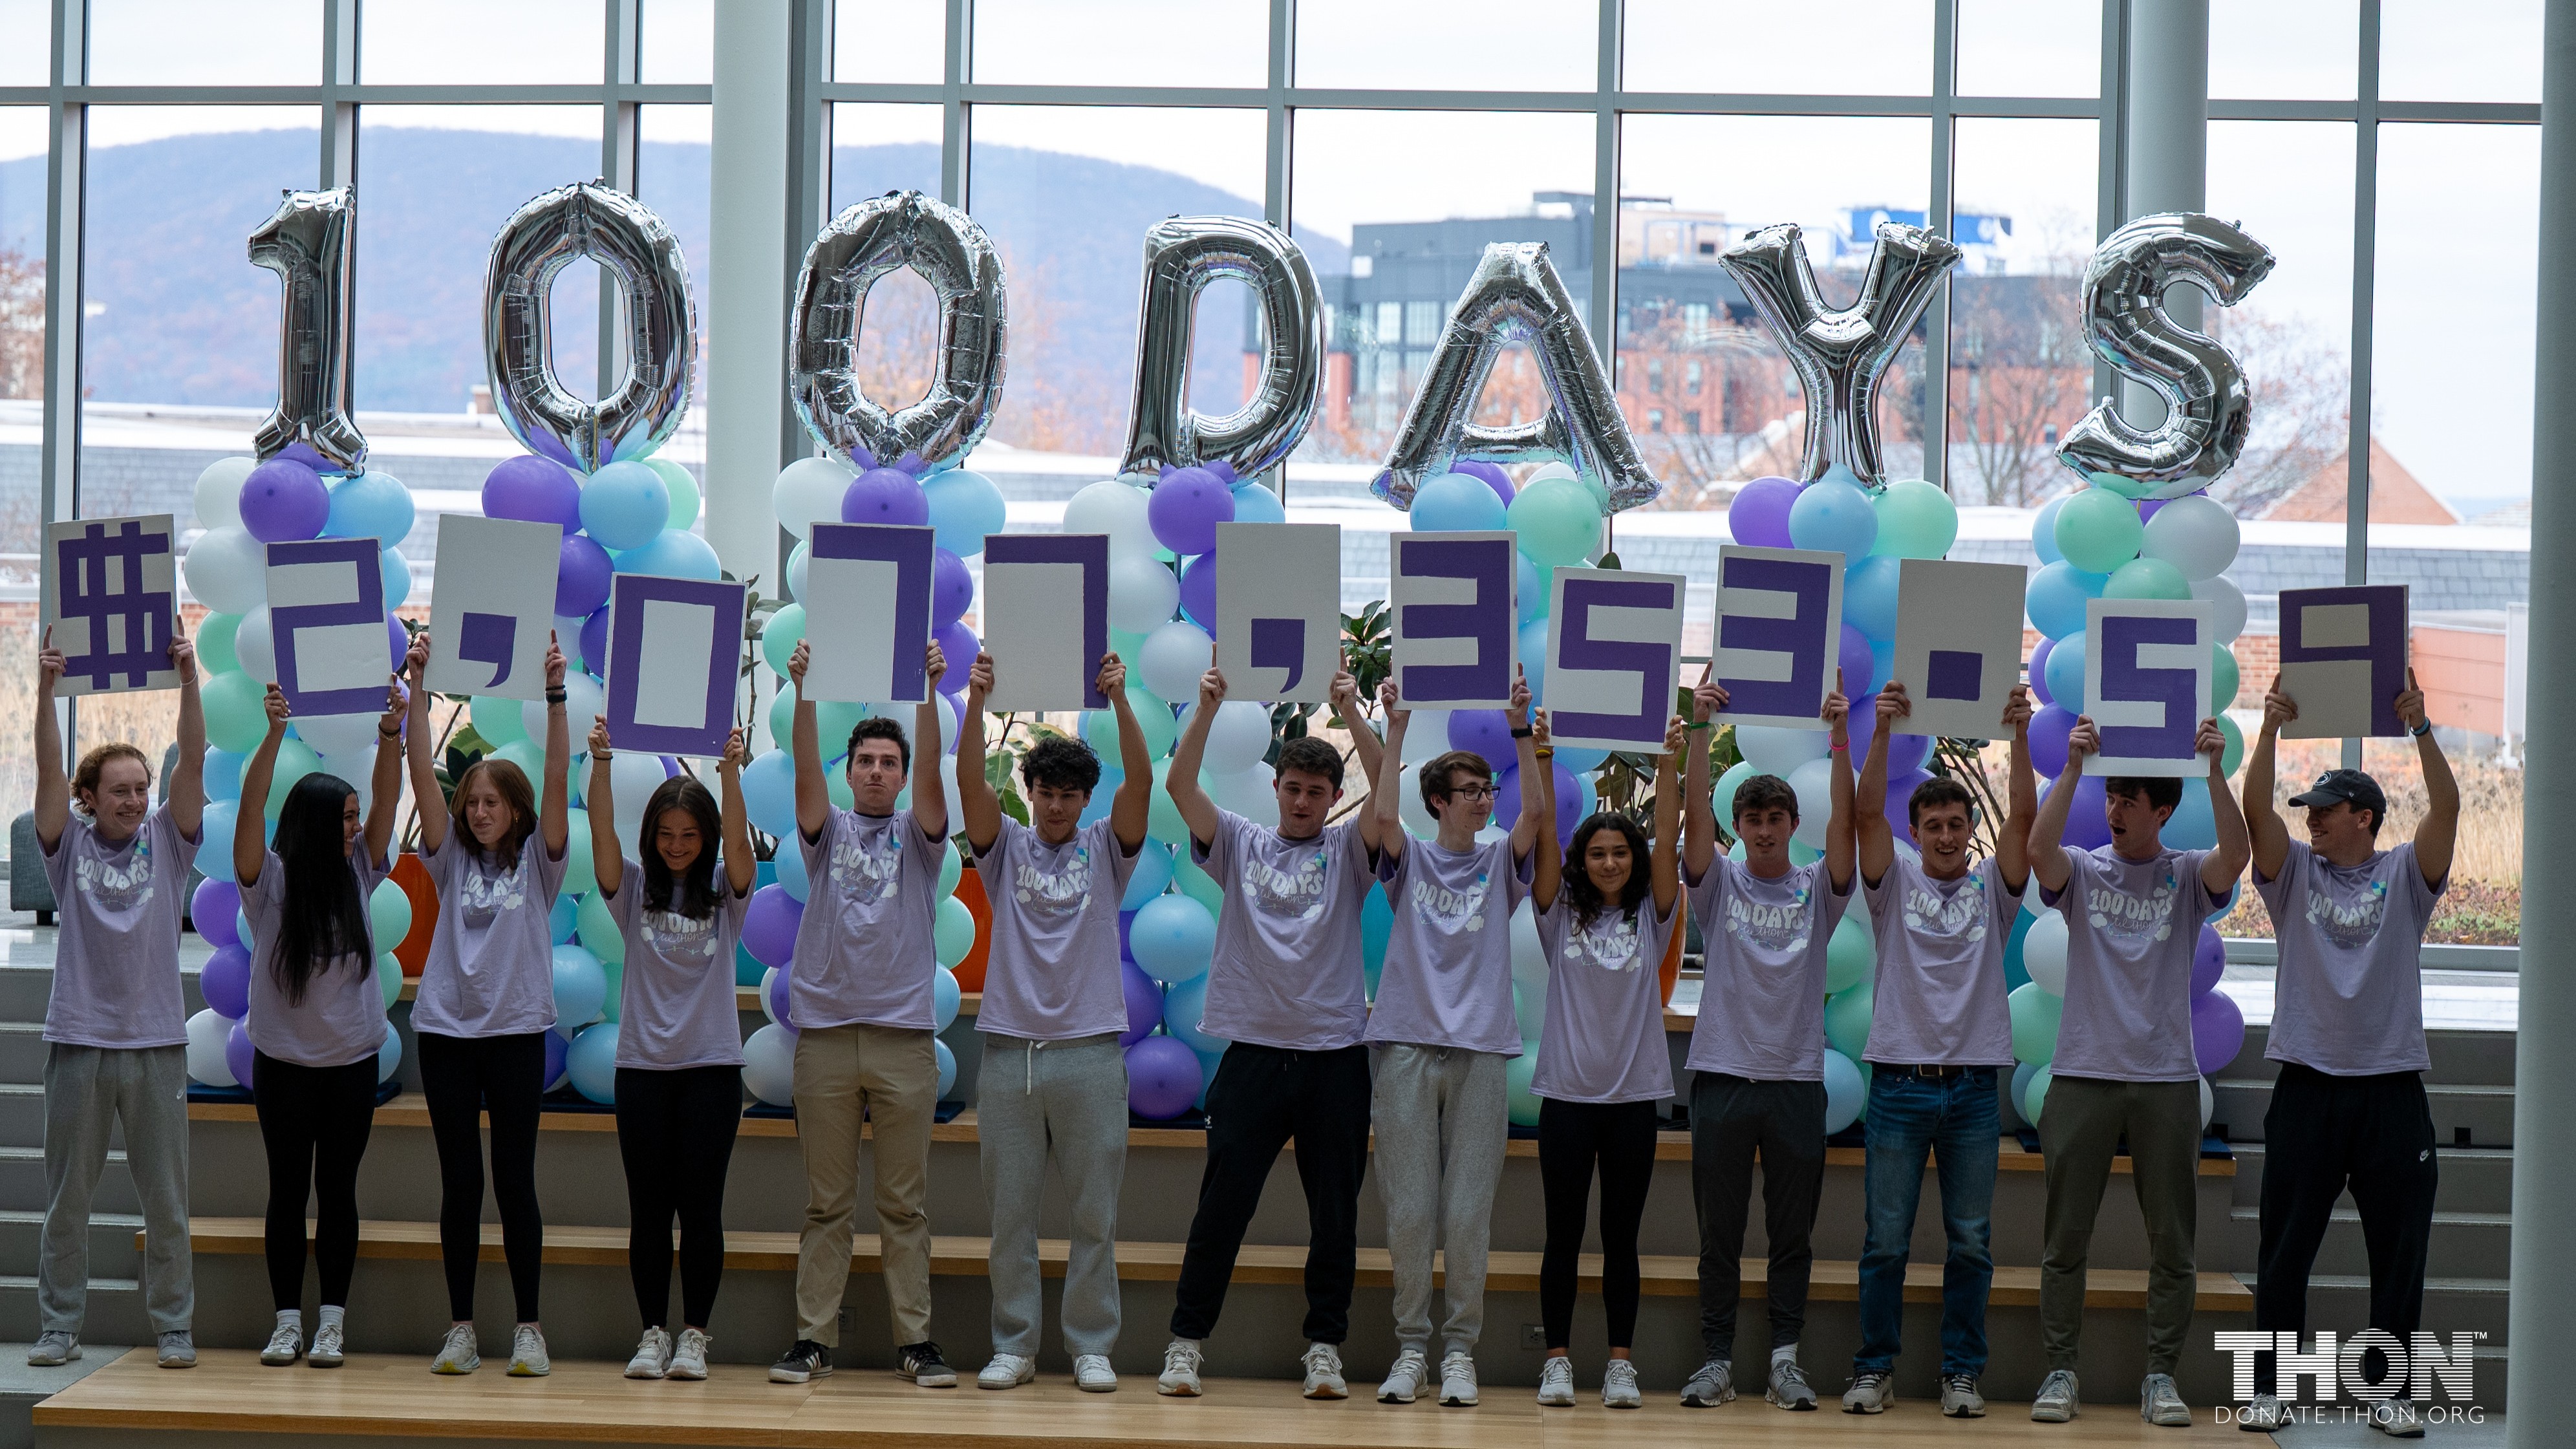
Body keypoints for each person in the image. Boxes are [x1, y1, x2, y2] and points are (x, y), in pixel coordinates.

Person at [1155, 659, 1384, 1400]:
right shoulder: (1241, 843)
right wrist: (1207, 706)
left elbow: (1391, 794)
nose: (1303, 800)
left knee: (1336, 1217)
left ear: (1332, 798)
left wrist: (1350, 712)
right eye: (1293, 788)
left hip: (1335, 1059)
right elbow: (1180, 788)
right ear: (1278, 787)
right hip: (1253, 1056)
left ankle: (1324, 1348)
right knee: (1221, 1208)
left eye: (1318, 792)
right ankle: (1186, 1345)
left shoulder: (1351, 851)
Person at [2235, 670, 2454, 1439]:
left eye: (2326, 811)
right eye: (2312, 812)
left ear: (2365, 816)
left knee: (2399, 1256)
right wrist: (2269, 730)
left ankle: (2389, 1393)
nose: (2313, 821)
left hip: (2392, 1089)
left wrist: (2421, 728)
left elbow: (2448, 810)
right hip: (2307, 1085)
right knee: (2283, 1252)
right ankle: (2269, 1390)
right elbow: (2254, 809)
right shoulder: (2294, 875)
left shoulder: (2405, 873)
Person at [2025, 708, 2249, 1427]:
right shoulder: (2086, 870)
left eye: (2129, 801)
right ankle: (2060, 1372)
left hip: (2167, 1081)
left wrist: (2216, 770)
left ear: (2163, 811)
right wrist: (2069, 767)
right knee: (2065, 1239)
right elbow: (2037, 849)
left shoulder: (2187, 877)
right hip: (2084, 1074)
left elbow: (2237, 855)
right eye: (2111, 798)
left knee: (2173, 1244)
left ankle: (2162, 1377)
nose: (2114, 810)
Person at [955, 650, 1150, 1394]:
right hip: (1010, 1055)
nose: (1058, 805)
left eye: (1071, 794)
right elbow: (971, 782)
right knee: (1011, 1220)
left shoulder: (1107, 850)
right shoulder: (1003, 849)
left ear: (1085, 800)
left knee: (1094, 1216)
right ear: (1029, 793)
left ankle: (1091, 1346)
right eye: (1046, 791)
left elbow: (1141, 782)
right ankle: (1015, 1345)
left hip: (1093, 1055)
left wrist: (1121, 700)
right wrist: (975, 700)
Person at [1840, 680, 2036, 1418]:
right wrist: (1883, 727)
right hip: (1899, 1084)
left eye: (1957, 825)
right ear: (1915, 833)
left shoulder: (1995, 890)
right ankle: (1873, 1369)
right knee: (1885, 1242)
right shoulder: (1891, 888)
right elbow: (1863, 813)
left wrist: (2018, 732)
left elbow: (2023, 815)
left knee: (1972, 1243)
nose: (1948, 836)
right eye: (1934, 827)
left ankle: (1962, 1372)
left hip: (1973, 1094)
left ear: (1968, 834)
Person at [770, 638, 954, 1388]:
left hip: (905, 1040)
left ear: (903, 778)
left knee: (904, 1207)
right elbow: (804, 771)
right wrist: (806, 687)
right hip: (825, 1040)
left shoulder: (921, 837)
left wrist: (927, 690)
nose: (877, 771)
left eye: (890, 763)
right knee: (827, 1204)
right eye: (866, 762)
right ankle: (813, 1339)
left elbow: (939, 775)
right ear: (851, 775)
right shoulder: (829, 834)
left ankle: (917, 1342)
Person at [1676, 668, 1856, 1412]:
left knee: (1792, 1234)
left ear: (1792, 827)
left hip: (1793, 1085)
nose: (1765, 829)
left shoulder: (1819, 890)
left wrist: (1842, 739)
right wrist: (1697, 729)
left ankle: (1785, 1359)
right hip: (1720, 1077)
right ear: (1739, 829)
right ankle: (1716, 1360)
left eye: (1776, 818)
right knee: (1718, 1234)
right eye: (1752, 820)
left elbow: (1848, 829)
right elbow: (1689, 829)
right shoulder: (1717, 885)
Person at [1364, 672, 1543, 1408]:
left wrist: (1521, 727)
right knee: (1410, 1209)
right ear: (1437, 800)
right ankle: (1411, 1348)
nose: (1482, 798)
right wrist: (1395, 725)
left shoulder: (1502, 862)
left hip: (1480, 1050)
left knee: (1468, 1212)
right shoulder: (1411, 859)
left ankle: (1460, 1351)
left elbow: (1536, 810)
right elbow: (1378, 816)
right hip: (1404, 1044)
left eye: (1485, 789)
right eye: (1468, 789)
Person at [28, 627, 204, 1371]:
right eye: (120, 791)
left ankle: (173, 1327)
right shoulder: (67, 845)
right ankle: (59, 1326)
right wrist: (43, 691)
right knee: (68, 1201)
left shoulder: (169, 840)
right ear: (90, 800)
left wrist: (190, 678)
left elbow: (192, 760)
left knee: (166, 1205)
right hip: (79, 1041)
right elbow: (44, 772)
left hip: (157, 1044)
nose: (135, 800)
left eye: (142, 789)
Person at [401, 630, 570, 1377]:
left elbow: (560, 775)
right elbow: (418, 775)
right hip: (444, 1033)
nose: (477, 812)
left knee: (515, 1180)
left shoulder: (540, 862)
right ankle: (462, 1328)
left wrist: (558, 696)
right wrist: (414, 690)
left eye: (491, 802)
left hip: (514, 1035)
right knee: (460, 1183)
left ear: (516, 811)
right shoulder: (448, 859)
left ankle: (529, 1329)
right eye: (471, 802)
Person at [237, 675, 404, 1369]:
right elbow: (250, 810)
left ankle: (330, 1321)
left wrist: (392, 734)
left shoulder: (361, 868)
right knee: (287, 1190)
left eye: (356, 816)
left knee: (338, 1190)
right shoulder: (269, 880)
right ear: (311, 822)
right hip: (282, 1063)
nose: (356, 827)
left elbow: (391, 807)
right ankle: (286, 1322)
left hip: (351, 1065)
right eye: (343, 817)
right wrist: (274, 735)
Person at [588, 718, 756, 1383]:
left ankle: (694, 1336)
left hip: (712, 1071)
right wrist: (601, 761)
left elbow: (742, 847)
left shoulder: (725, 893)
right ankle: (652, 1333)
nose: (678, 846)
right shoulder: (632, 890)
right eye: (666, 835)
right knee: (649, 1210)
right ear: (651, 838)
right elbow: (600, 834)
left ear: (706, 838)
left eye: (690, 836)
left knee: (702, 1208)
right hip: (642, 1072)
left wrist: (732, 774)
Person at [1530, 711, 1684, 1411]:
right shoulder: (1557, 911)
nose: (1611, 862)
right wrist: (1541, 756)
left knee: (1621, 1238)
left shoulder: (1651, 916)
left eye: (1622, 852)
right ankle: (1557, 1360)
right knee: (1563, 1235)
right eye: (1598, 854)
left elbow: (1672, 840)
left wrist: (1673, 761)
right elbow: (1542, 838)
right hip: (1566, 1098)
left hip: (1632, 1103)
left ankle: (1620, 1364)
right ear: (1582, 863)